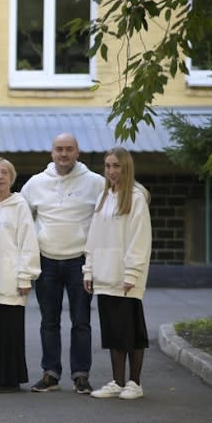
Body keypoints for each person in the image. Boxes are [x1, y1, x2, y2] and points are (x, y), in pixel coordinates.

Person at [20, 132, 104, 394]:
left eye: (69, 149)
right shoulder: (35, 183)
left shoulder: (95, 183)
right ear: (52, 152)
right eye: (59, 149)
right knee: (49, 321)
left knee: (81, 321)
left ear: (78, 152)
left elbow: (120, 199)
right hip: (46, 261)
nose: (64, 154)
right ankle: (51, 373)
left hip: (80, 261)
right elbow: (21, 216)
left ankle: (81, 375)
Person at [84, 147, 152, 400]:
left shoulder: (135, 198)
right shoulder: (104, 198)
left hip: (125, 277)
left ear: (126, 167)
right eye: (108, 166)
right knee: (113, 330)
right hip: (104, 275)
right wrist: (88, 270)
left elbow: (140, 240)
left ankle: (134, 383)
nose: (112, 171)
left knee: (131, 330)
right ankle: (117, 381)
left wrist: (132, 274)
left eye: (117, 166)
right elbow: (93, 238)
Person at [0, 157, 41, 393]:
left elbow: (28, 242)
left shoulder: (19, 205)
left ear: (12, 178)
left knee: (10, 330)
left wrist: (26, 276)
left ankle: (9, 378)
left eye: (5, 173)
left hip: (13, 278)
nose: (0, 177)